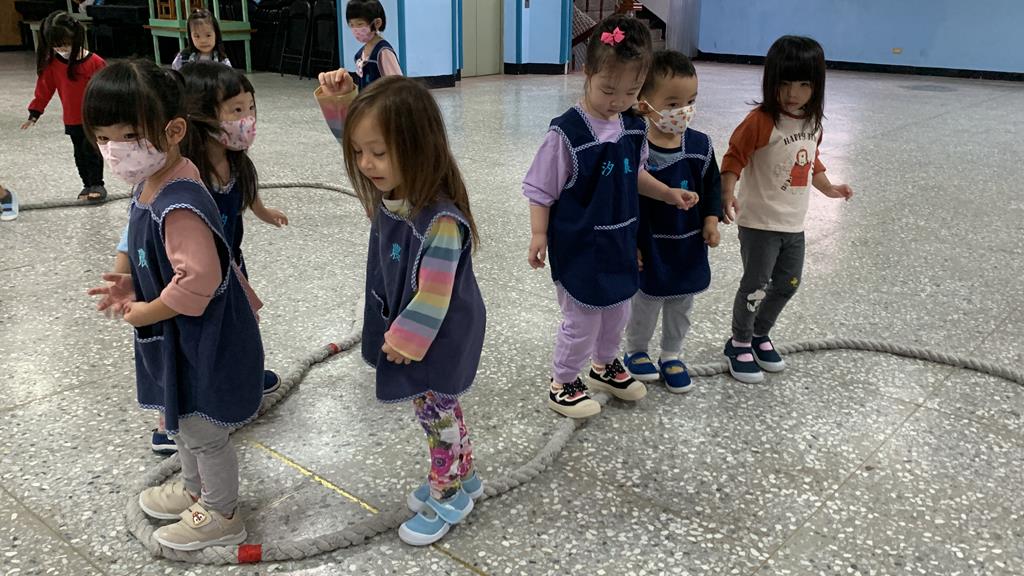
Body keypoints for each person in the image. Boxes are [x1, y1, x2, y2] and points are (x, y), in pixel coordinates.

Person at [85, 60, 263, 551]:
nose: (115, 150)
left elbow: (198, 280)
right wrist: (129, 280)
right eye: (103, 138)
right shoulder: (151, 181)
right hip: (177, 335)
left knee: (203, 430)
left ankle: (222, 512)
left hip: (202, 336)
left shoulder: (179, 201)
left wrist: (145, 312)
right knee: (180, 420)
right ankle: (192, 488)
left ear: (174, 130)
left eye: (128, 136)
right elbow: (148, 248)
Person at [316, 71, 485, 546]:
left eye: (378, 153)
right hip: (420, 332)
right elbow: (360, 136)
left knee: (435, 413)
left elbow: (434, 294)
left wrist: (405, 340)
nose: (365, 164)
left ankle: (448, 494)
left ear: (417, 149)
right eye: (359, 152)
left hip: (438, 336)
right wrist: (340, 103)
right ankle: (465, 473)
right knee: (443, 406)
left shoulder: (441, 222)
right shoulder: (390, 194)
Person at [523, 15, 698, 419]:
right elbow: (540, 189)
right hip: (580, 247)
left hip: (619, 243)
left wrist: (668, 193)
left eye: (631, 92)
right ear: (587, 72)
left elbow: (634, 175)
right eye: (608, 89)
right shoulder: (566, 134)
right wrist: (538, 234)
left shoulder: (633, 128)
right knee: (582, 320)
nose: (617, 101)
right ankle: (564, 381)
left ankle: (604, 366)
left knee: (618, 312)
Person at [720, 35, 854, 384]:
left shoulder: (812, 124)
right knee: (755, 286)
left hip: (793, 224)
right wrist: (727, 192)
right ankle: (739, 342)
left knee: (788, 283)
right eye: (784, 83)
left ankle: (759, 334)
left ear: (817, 86)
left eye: (804, 84)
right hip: (759, 223)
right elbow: (734, 157)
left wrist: (829, 188)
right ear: (771, 81)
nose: (793, 93)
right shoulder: (761, 121)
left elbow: (811, 162)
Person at [623, 50, 722, 393]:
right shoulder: (634, 145)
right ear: (644, 104)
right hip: (649, 242)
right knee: (646, 301)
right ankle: (636, 350)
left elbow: (712, 186)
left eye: (690, 101)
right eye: (672, 104)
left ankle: (671, 354)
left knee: (682, 303)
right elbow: (625, 198)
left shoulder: (700, 146)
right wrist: (630, 243)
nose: (683, 111)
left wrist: (711, 220)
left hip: (688, 243)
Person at [22, 11, 107, 202]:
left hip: (93, 119)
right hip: (72, 119)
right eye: (56, 45)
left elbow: (108, 90)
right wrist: (34, 113)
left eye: (65, 44)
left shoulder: (95, 62)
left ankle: (97, 184)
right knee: (79, 154)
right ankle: (86, 185)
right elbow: (44, 90)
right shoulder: (53, 65)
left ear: (75, 37)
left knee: (92, 151)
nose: (61, 49)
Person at [345, 0, 402, 89]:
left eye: (360, 24)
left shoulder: (383, 52)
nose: (355, 29)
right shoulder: (359, 55)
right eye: (352, 25)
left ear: (377, 23)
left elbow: (398, 84)